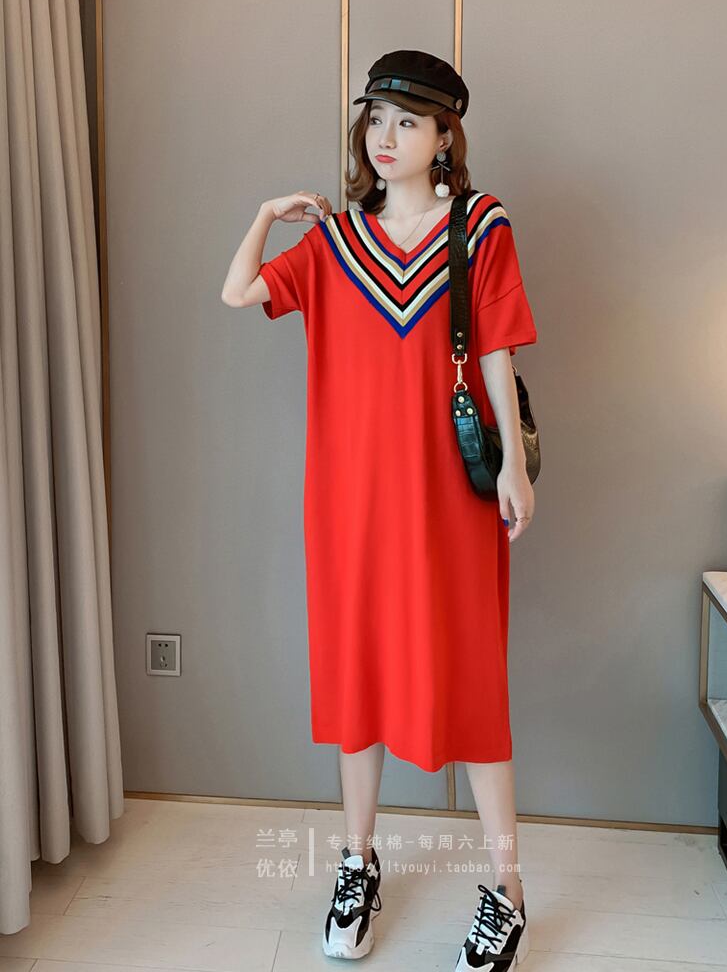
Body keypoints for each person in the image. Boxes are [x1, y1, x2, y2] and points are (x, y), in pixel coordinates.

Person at [221, 49, 537, 970]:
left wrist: (516, 468)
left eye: (407, 121)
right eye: (376, 120)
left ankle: (508, 891)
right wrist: (265, 215)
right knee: (357, 680)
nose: (386, 138)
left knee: (472, 687)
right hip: (351, 502)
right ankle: (357, 863)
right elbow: (239, 291)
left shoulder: (479, 225)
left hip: (449, 500)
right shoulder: (334, 244)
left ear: (445, 135)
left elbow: (497, 351)